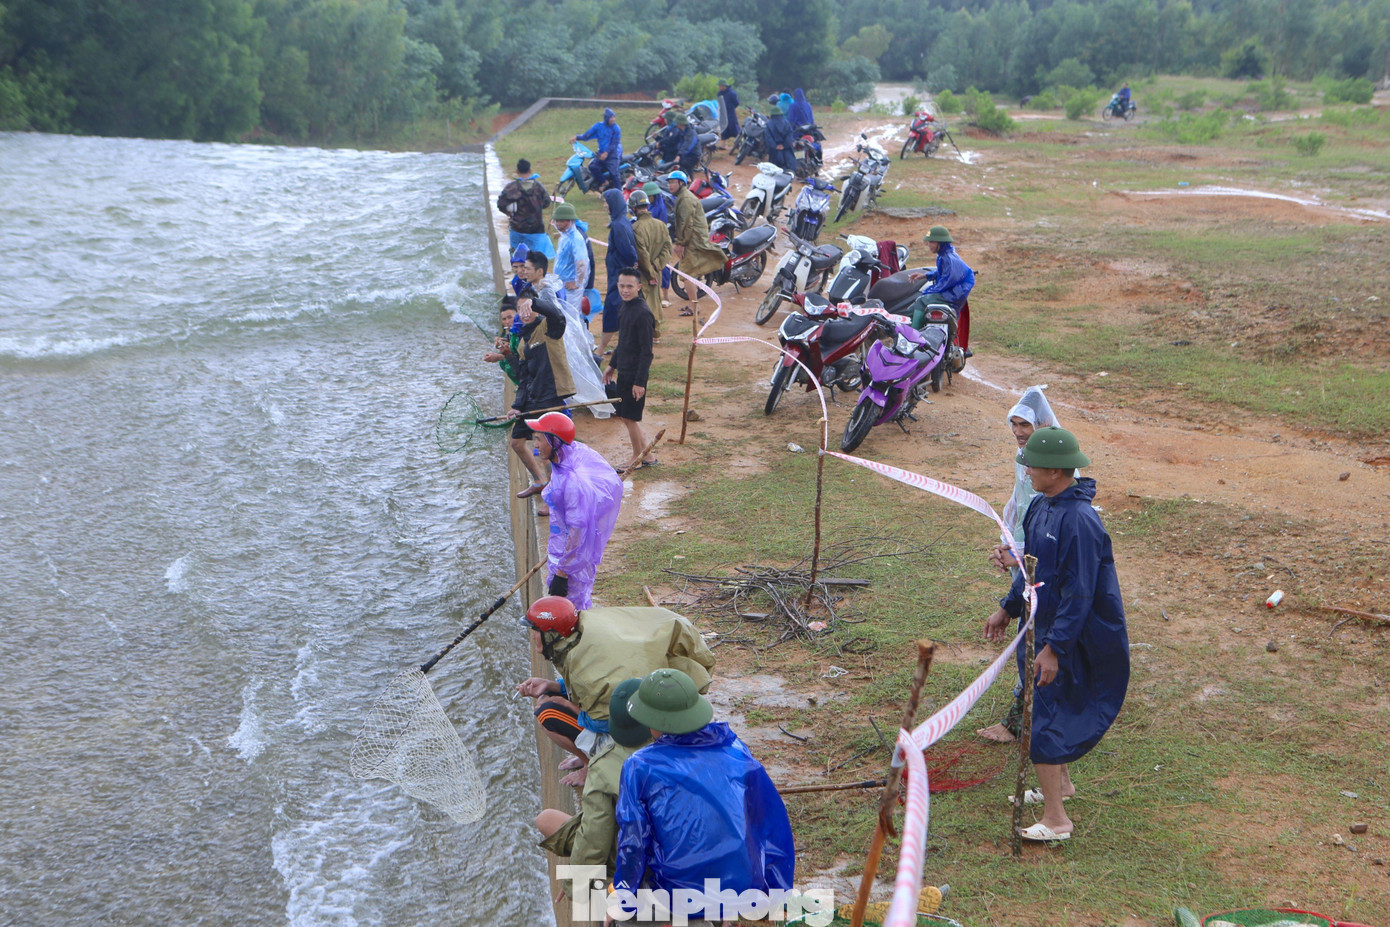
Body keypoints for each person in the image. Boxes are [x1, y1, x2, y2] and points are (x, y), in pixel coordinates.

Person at [983, 427, 1129, 843]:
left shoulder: (1081, 521)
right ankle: (1061, 785)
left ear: (1055, 470)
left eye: (1030, 463)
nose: (1024, 469)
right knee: (1047, 705)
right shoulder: (1040, 507)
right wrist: (1008, 606)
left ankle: (1057, 819)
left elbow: (1080, 591)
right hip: (1042, 625)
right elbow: (1034, 568)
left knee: (1044, 717)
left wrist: (1055, 648)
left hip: (1075, 632)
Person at [612, 668, 795, 919]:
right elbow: (770, 826)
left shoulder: (639, 765)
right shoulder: (737, 750)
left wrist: (623, 899)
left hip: (679, 895)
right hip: (743, 890)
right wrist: (778, 893)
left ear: (653, 721)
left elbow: (632, 841)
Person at [516, 596, 716, 786]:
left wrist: (565, 703)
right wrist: (552, 685)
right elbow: (588, 679)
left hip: (639, 728)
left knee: (546, 711)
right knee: (553, 696)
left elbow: (606, 723)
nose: (532, 635)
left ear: (551, 634)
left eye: (534, 629)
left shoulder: (585, 672)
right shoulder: (584, 630)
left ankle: (591, 764)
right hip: (658, 689)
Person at [978, 385, 1062, 744]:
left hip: (1038, 553)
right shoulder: (1021, 457)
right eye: (1013, 423)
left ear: (1041, 422)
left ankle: (1021, 719)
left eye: (1024, 423)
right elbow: (1018, 503)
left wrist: (1023, 553)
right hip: (1022, 548)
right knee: (1029, 623)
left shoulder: (1053, 463)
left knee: (1034, 631)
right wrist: (1007, 544)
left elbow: (1044, 515)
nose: (1018, 431)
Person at [535, 678, 650, 874]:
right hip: (687, 857)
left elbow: (595, 836)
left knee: (546, 819)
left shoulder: (604, 767)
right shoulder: (686, 752)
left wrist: (574, 879)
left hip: (639, 857)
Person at [526, 411, 623, 608]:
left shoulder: (572, 483)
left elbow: (578, 531)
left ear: (554, 440)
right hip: (561, 551)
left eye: (538, 439)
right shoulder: (568, 455)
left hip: (570, 563)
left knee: (571, 610)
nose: (534, 445)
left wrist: (562, 573)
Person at [510, 253, 576, 500]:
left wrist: (535, 304)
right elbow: (523, 379)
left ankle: (555, 493)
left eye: (527, 308)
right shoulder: (522, 341)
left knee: (551, 449)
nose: (524, 313)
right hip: (533, 398)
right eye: (520, 310)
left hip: (552, 396)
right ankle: (539, 481)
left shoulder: (549, 328)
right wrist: (517, 406)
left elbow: (558, 315)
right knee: (517, 442)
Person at [603, 268, 657, 471]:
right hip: (624, 371)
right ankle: (648, 455)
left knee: (630, 418)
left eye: (629, 286)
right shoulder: (624, 307)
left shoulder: (643, 314)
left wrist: (639, 382)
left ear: (639, 287)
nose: (625, 290)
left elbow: (647, 352)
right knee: (627, 415)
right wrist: (612, 365)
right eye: (622, 286)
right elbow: (623, 341)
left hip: (635, 374)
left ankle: (637, 457)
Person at [908, 225, 974, 352]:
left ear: (940, 243)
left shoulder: (949, 258)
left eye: (932, 242)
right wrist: (925, 276)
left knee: (921, 301)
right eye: (928, 242)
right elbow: (942, 273)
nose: (929, 245)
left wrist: (929, 291)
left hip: (954, 294)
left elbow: (947, 281)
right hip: (951, 290)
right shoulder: (944, 255)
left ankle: (914, 340)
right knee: (912, 309)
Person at [667, 170, 724, 315]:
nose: (670, 185)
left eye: (673, 182)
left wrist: (681, 243)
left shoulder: (685, 199)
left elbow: (686, 223)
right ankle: (693, 304)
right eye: (669, 182)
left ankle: (694, 307)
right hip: (692, 238)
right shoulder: (682, 197)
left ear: (681, 183)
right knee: (688, 272)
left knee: (686, 274)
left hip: (692, 240)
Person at [599, 189, 638, 359]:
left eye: (606, 202)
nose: (605, 206)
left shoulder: (618, 225)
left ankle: (600, 349)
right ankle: (622, 346)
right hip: (618, 273)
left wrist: (632, 260)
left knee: (611, 310)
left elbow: (627, 249)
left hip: (619, 276)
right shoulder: (622, 221)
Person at [630, 190, 671, 341]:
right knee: (656, 301)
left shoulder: (636, 228)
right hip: (657, 270)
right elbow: (668, 249)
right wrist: (657, 267)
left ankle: (647, 334)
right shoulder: (661, 225)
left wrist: (650, 272)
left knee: (645, 303)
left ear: (633, 208)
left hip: (644, 273)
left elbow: (642, 254)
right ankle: (656, 333)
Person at [496, 158, 555, 259]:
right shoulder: (539, 187)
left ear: (517, 171)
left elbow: (501, 204)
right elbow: (547, 203)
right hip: (536, 228)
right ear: (530, 170)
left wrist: (508, 213)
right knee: (536, 257)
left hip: (517, 228)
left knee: (517, 256)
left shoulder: (511, 187)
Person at [552, 202, 590, 322]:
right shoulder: (565, 236)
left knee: (571, 320)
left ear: (570, 221)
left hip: (571, 289)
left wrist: (577, 283)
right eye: (556, 221)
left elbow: (582, 263)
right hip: (561, 285)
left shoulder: (575, 239)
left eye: (561, 221)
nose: (558, 224)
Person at [573, 107, 622, 192]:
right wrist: (577, 137)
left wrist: (606, 153)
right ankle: (604, 182)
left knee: (614, 173)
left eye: (614, 117)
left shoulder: (616, 129)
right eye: (611, 117)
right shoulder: (598, 126)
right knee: (593, 167)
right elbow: (586, 136)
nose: (613, 119)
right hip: (601, 153)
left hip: (612, 155)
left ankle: (619, 193)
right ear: (606, 118)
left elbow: (614, 143)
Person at [483, 299, 521, 386]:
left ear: (517, 315)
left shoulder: (522, 334)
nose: (507, 322)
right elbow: (508, 338)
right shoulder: (512, 333)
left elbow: (521, 364)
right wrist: (502, 341)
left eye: (510, 317)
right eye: (504, 319)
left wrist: (500, 357)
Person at [763, 105, 797, 174]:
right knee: (789, 167)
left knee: (774, 169)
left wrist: (775, 146)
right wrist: (784, 145)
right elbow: (789, 135)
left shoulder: (769, 124)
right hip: (786, 149)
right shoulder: (786, 123)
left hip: (774, 150)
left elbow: (768, 138)